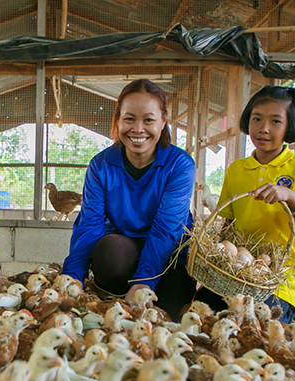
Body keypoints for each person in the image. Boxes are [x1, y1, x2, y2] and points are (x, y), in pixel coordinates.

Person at [60, 79, 197, 320]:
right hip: (125, 252)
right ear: (118, 120)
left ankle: (149, 287)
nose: (138, 129)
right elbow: (89, 225)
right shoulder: (101, 165)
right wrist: (73, 277)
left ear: (163, 121)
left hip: (169, 255)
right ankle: (116, 292)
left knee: (169, 314)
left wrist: (144, 281)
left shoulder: (179, 165)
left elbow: (167, 229)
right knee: (110, 253)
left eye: (149, 120)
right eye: (129, 119)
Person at [217, 86, 295, 323]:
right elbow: (228, 223)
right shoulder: (237, 170)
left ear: (290, 126)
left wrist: (290, 196)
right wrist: (221, 254)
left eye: (276, 121)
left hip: (283, 274)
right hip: (243, 269)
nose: (264, 128)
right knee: (212, 313)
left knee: (257, 321)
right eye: (256, 118)